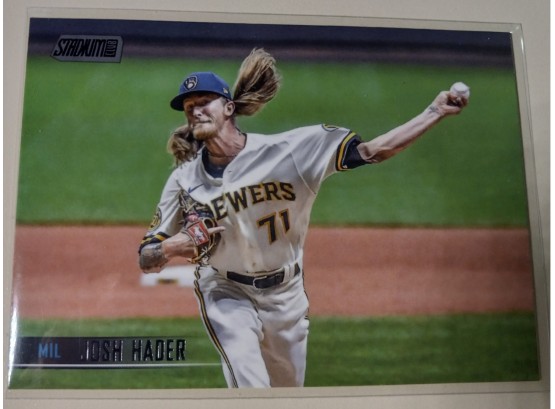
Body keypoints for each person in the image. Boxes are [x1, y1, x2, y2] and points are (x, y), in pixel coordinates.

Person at [138, 48, 468, 388]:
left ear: (229, 108)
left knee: (288, 394)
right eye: (189, 107)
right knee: (252, 385)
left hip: (286, 295)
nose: (195, 110)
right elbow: (146, 257)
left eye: (204, 101)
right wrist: (170, 248)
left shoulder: (288, 152)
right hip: (225, 291)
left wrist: (434, 112)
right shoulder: (183, 180)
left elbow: (372, 151)